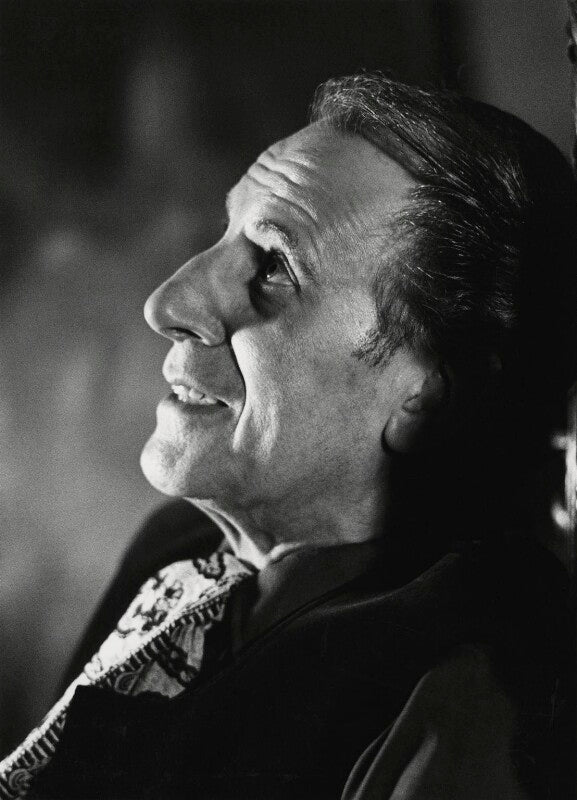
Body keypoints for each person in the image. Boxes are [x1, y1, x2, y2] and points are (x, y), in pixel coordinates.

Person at [1, 73, 575, 800]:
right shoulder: (179, 545)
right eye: (223, 236)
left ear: (429, 390)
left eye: (273, 267)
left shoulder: (474, 690)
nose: (168, 303)